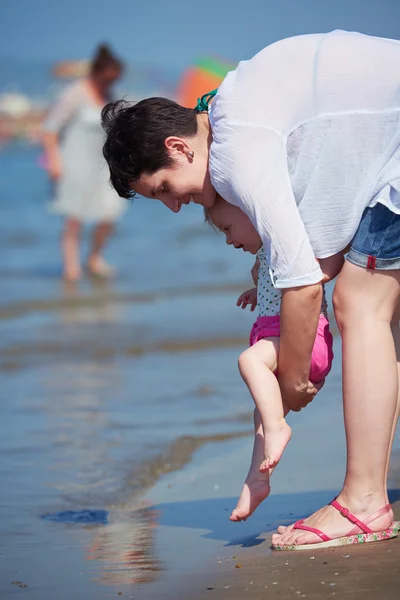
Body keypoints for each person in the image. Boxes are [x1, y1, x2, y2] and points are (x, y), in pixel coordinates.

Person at [101, 30, 400, 549]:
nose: (175, 207)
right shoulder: (229, 109)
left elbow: (305, 285)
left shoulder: (235, 150)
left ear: (178, 147)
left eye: (165, 190)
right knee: (381, 307)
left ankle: (364, 503)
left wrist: (294, 383)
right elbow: (318, 252)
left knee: (362, 303)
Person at [205, 195, 337, 522]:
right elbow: (267, 280)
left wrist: (310, 280)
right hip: (278, 340)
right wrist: (256, 290)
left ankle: (279, 430)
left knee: (249, 362)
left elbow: (328, 265)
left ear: (252, 213)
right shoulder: (263, 256)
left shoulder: (288, 241)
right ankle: (257, 479)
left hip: (304, 338)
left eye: (228, 228)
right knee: (261, 415)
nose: (228, 239)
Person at [42, 44, 125, 281]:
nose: (110, 83)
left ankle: (94, 258)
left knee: (109, 215)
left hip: (104, 165)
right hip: (74, 163)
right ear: (97, 73)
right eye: (107, 78)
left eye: (114, 79)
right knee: (74, 219)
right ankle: (71, 269)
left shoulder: (110, 95)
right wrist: (54, 161)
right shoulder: (74, 93)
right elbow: (49, 129)